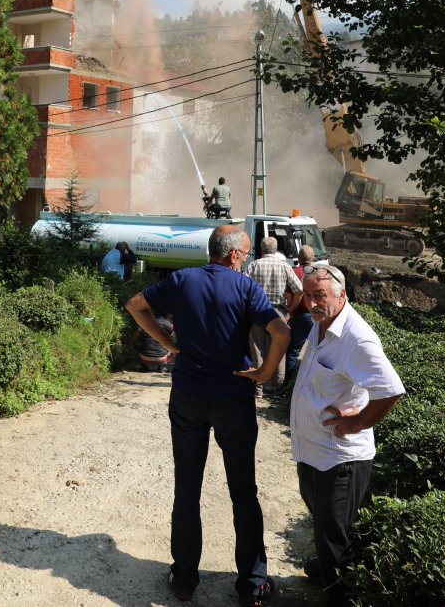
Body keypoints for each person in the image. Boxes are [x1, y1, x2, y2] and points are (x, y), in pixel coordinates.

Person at [125, 224, 290, 606]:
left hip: (188, 397)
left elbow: (136, 305)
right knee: (243, 492)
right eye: (245, 255)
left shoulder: (182, 280)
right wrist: (264, 373)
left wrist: (170, 344)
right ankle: (251, 585)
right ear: (232, 255)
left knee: (187, 489)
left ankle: (184, 581)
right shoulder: (245, 287)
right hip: (233, 398)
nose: (245, 260)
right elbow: (281, 333)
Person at [290, 264, 404, 607]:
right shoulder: (320, 322)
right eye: (307, 295)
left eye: (319, 296)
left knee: (334, 534)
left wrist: (356, 423)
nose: (311, 303)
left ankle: (340, 595)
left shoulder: (357, 338)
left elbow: (391, 390)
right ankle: (327, 568)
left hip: (340, 457)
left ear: (342, 294)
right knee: (322, 520)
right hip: (312, 450)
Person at [246, 235, 303, 398]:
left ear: (261, 250)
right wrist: (291, 309)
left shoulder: (254, 265)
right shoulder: (284, 266)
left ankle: (258, 388)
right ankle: (277, 388)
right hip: (278, 312)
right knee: (278, 348)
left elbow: (243, 288)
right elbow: (299, 289)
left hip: (257, 312)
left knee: (256, 349)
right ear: (276, 250)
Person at [284, 244, 315, 382]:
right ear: (313, 258)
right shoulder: (320, 272)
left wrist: (289, 311)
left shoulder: (293, 272)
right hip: (317, 316)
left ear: (298, 258)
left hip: (300, 316)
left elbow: (288, 295)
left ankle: (287, 383)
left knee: (292, 352)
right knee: (318, 353)